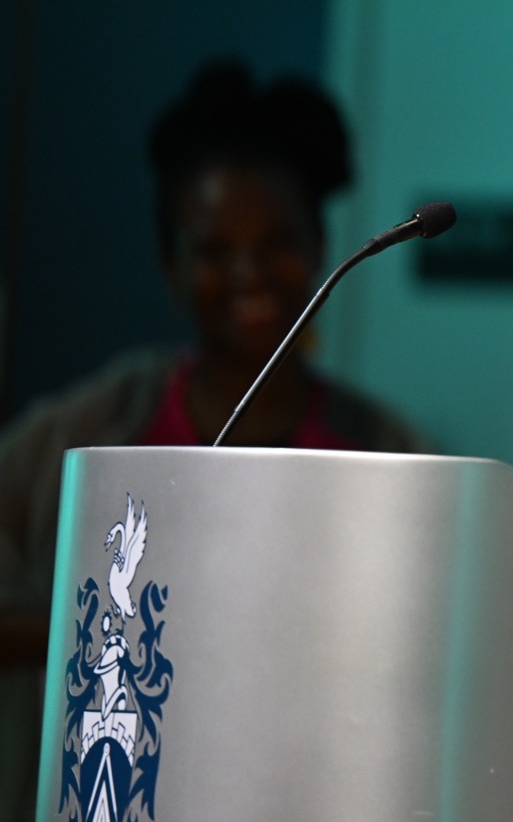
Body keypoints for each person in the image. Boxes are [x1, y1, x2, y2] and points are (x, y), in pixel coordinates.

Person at [0, 60, 429, 817]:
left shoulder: (385, 449)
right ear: (171, 262)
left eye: (276, 241)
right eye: (214, 249)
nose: (249, 272)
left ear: (320, 244)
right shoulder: (78, 434)